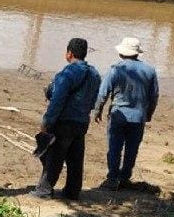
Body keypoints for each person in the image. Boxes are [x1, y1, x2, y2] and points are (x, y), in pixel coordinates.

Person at [33, 38, 101, 200]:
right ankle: (72, 192)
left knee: (55, 156)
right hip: (82, 121)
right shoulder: (95, 74)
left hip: (65, 122)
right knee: (76, 158)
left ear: (69, 53)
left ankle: (44, 190)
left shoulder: (67, 73)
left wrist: (47, 122)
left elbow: (57, 101)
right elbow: (93, 100)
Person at [94, 36, 159, 190]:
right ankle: (125, 178)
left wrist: (98, 110)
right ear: (137, 54)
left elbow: (103, 93)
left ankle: (112, 178)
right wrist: (148, 114)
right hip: (138, 116)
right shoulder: (150, 71)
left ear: (122, 53)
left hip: (118, 115)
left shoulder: (116, 69)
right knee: (132, 148)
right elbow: (154, 96)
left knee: (114, 147)